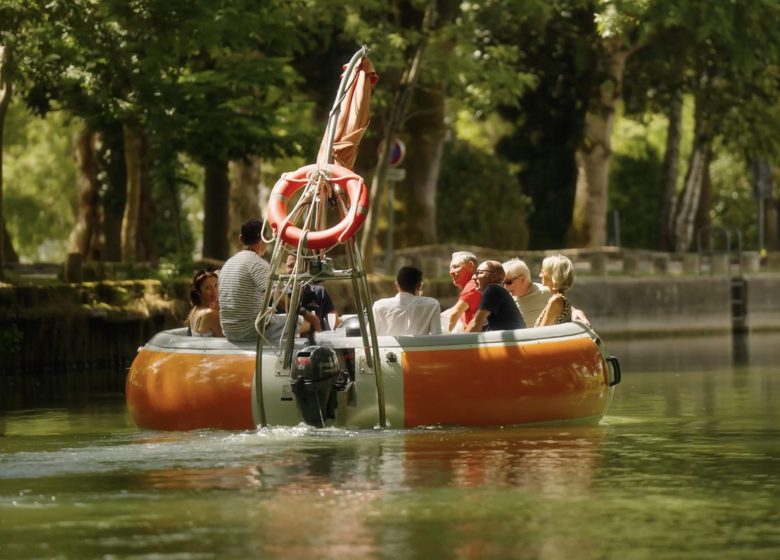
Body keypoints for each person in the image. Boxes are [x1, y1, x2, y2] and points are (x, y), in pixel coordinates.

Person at [218, 219, 271, 342]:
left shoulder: (228, 264)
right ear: (265, 238)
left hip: (228, 331)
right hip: (251, 331)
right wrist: (304, 313)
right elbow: (276, 297)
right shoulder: (258, 263)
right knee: (301, 321)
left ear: (241, 239)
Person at [503, 258, 590, 326]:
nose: (540, 275)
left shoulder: (552, 297)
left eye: (508, 282)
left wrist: (576, 311)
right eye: (503, 282)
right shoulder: (557, 298)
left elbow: (539, 333)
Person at [373, 266, 442, 336]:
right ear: (419, 285)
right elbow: (436, 336)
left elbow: (370, 336)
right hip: (420, 346)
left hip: (387, 346)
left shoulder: (379, 306)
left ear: (397, 284)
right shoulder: (432, 305)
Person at [464, 260, 525, 332]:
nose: (473, 277)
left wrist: (458, 342)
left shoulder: (493, 289)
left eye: (479, 273)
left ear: (493, 276)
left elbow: (475, 325)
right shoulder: (498, 293)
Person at [285, 254, 339, 331]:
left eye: (297, 267)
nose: (293, 271)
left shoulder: (320, 292)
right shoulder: (280, 297)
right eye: (290, 266)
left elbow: (335, 322)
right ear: (285, 267)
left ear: (306, 268)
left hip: (318, 341)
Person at [441, 251, 481, 332]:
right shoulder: (475, 285)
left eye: (455, 267)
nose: (450, 272)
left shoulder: (474, 284)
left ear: (470, 266)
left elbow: (455, 314)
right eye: (450, 268)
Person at [534, 254, 574, 327]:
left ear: (553, 275)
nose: (540, 275)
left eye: (543, 272)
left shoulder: (556, 301)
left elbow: (540, 333)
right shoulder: (560, 299)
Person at [187, 268, 223, 337]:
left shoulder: (195, 309)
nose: (214, 291)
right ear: (198, 292)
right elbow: (229, 342)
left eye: (216, 285)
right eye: (208, 288)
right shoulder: (211, 314)